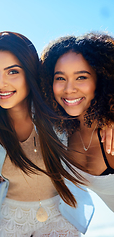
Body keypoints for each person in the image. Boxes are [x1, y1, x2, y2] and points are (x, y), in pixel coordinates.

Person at [0, 31, 94, 237]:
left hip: (59, 212)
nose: (0, 84)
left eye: (12, 72)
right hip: (9, 216)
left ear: (29, 72)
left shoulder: (56, 110)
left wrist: (109, 119)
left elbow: (94, 104)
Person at [40, 32, 114, 212]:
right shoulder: (64, 130)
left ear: (101, 79)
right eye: (60, 78)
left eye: (81, 77)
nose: (69, 89)